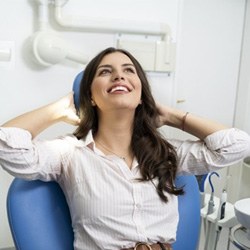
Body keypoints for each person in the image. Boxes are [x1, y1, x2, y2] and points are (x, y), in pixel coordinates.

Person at [0, 47, 250, 250]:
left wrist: (172, 116)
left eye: (129, 71)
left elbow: (237, 144)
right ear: (90, 96)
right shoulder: (69, 153)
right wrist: (57, 110)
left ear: (140, 94)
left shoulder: (167, 153)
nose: (119, 76)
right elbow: (6, 145)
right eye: (105, 72)